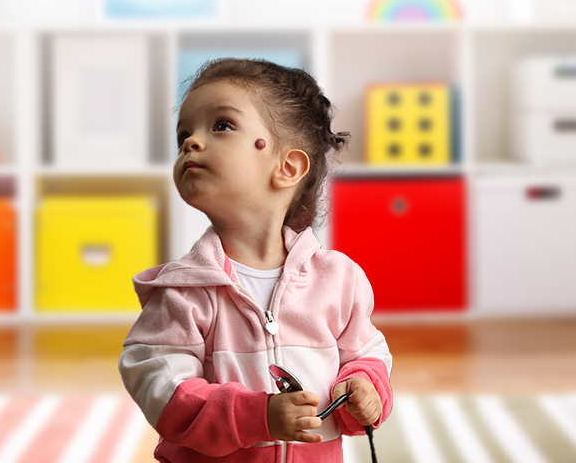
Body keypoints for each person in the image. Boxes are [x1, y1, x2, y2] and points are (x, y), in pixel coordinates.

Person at [119, 57, 392, 461]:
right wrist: (255, 417)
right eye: (183, 136)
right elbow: (158, 384)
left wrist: (365, 388)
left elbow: (368, 354)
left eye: (222, 125)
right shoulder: (183, 290)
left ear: (287, 167)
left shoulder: (339, 280)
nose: (191, 142)